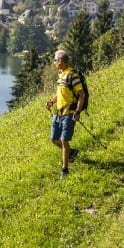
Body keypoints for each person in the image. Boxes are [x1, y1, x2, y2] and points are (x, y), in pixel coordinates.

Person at [44, 49, 86, 178]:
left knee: (64, 141)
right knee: (54, 139)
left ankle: (65, 170)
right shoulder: (61, 74)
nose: (54, 62)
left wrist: (77, 112)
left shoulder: (72, 75)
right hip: (58, 113)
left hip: (69, 113)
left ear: (61, 61)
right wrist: (51, 102)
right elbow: (59, 93)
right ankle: (71, 153)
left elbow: (81, 95)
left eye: (55, 60)